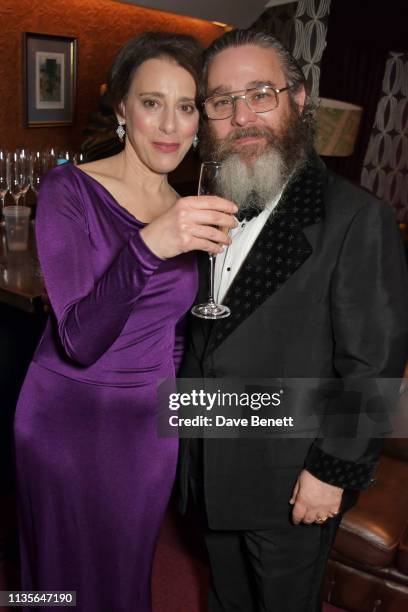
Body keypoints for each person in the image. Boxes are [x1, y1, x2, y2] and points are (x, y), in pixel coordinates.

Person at [177, 29, 408, 611]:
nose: (242, 115)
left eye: (261, 93)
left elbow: (372, 364)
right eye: (222, 101)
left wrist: (333, 470)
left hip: (292, 475)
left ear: (299, 100)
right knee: (226, 597)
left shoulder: (357, 217)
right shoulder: (206, 203)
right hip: (210, 456)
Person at [14, 32, 237, 612]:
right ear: (121, 110)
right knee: (60, 585)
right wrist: (149, 246)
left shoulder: (191, 207)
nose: (169, 125)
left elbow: (177, 332)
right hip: (65, 420)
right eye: (151, 102)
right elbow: (81, 340)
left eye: (186, 106)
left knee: (127, 574)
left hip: (144, 432)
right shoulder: (70, 190)